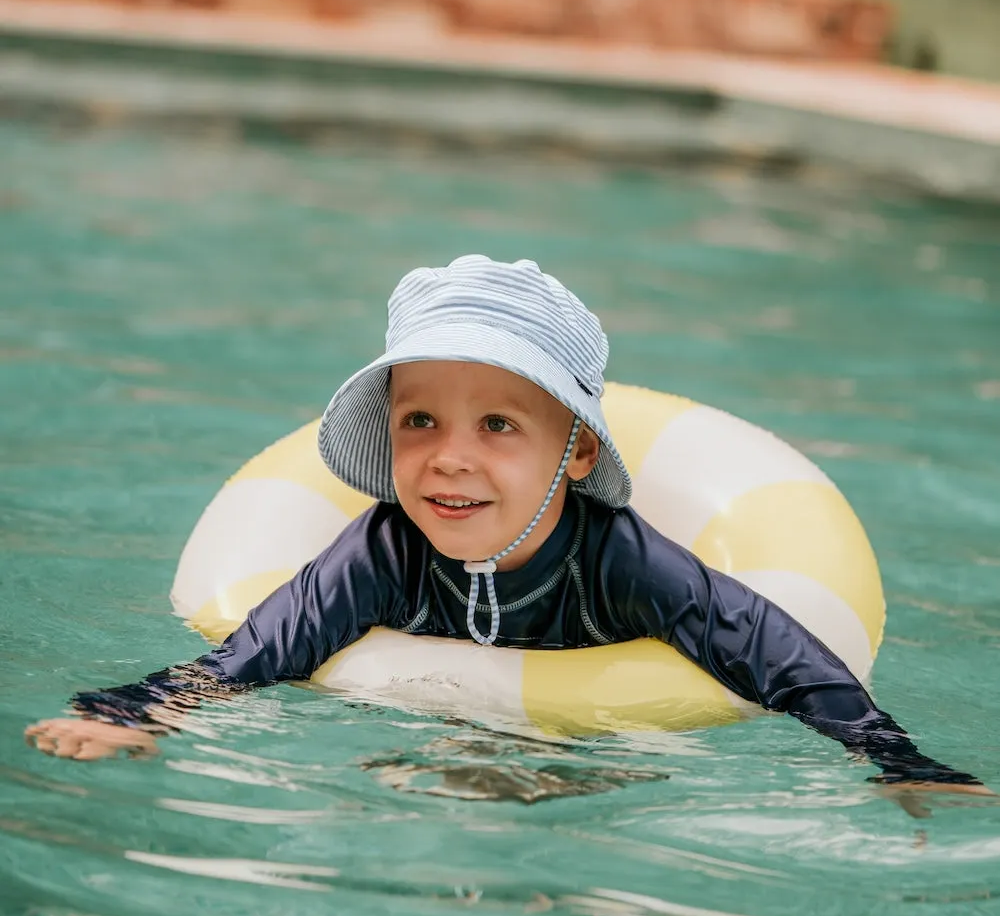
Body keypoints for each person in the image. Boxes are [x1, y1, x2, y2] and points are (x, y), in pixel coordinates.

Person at [26, 256, 987, 800]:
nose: (449, 457)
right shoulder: (381, 549)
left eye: (497, 424)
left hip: (609, 765)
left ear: (573, 456)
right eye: (419, 421)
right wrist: (129, 713)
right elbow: (257, 650)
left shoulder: (624, 560)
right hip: (422, 750)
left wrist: (897, 763)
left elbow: (777, 651)